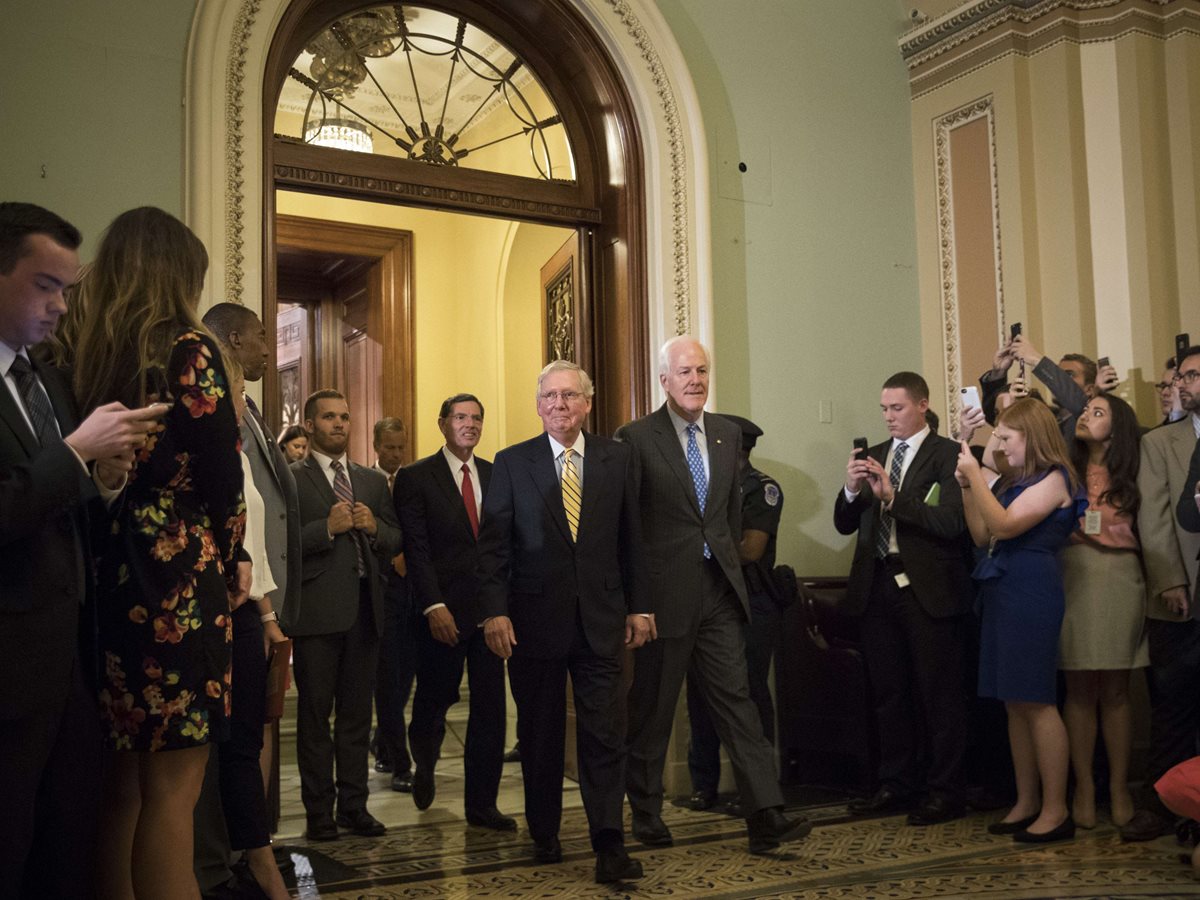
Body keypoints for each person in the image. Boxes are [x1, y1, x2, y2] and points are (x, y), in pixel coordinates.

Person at [71, 207, 246, 899]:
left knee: (124, 785)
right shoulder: (188, 349)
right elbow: (222, 475)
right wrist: (231, 558)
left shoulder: (87, 350)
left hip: (109, 568)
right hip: (174, 569)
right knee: (176, 789)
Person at [0, 203, 163, 898]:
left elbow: (59, 508)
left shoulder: (43, 381)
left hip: (67, 661)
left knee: (63, 845)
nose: (63, 306)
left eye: (67, 288)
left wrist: (102, 479)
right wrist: (74, 455)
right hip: (6, 667)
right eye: (45, 285)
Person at [622, 336, 811, 854]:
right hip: (662, 600)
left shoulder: (727, 434)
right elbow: (629, 527)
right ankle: (645, 812)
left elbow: (727, 519)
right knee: (654, 711)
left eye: (701, 370)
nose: (695, 380)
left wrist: (724, 569)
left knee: (739, 705)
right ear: (664, 380)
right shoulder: (635, 439)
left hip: (719, 595)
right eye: (684, 372)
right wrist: (636, 602)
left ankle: (765, 814)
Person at [476, 361, 647, 883]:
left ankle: (608, 842)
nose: (559, 405)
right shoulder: (511, 462)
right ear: (537, 405)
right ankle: (544, 831)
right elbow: (494, 547)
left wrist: (640, 606)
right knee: (541, 733)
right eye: (549, 397)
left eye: (569, 396)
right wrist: (495, 610)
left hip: (601, 620)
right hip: (532, 621)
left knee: (605, 733)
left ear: (587, 403)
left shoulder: (617, 458)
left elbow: (632, 540)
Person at [835, 371, 973, 826]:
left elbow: (952, 523)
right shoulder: (874, 455)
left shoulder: (947, 454)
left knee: (938, 694)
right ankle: (897, 782)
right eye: (883, 409)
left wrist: (893, 499)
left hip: (928, 587)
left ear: (922, 405)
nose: (888, 416)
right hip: (877, 586)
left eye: (896, 408)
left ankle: (944, 789)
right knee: (889, 693)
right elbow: (844, 523)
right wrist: (852, 489)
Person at [200, 303, 298, 898]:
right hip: (223, 612)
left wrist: (266, 615)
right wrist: (263, 612)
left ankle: (247, 854)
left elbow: (253, 537)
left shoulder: (239, 445)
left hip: (252, 611)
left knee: (246, 743)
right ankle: (230, 864)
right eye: (260, 337)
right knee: (230, 746)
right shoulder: (216, 452)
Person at [955, 398, 1086, 843]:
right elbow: (980, 533)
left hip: (1031, 587)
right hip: (1002, 586)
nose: (1001, 447)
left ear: (1031, 437)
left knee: (1036, 699)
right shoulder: (1014, 481)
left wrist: (976, 474)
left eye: (1007, 439)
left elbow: (1007, 526)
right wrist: (969, 487)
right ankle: (1026, 800)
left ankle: (1056, 808)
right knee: (1013, 702)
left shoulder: (1055, 479)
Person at [286, 389, 401, 841]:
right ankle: (320, 814)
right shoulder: (291, 476)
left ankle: (355, 806)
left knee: (356, 718)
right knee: (316, 718)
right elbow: (280, 543)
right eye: (329, 417)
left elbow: (396, 538)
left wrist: (376, 528)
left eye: (345, 417)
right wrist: (323, 530)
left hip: (365, 612)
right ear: (310, 425)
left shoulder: (369, 481)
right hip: (316, 615)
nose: (339, 424)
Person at [394, 395, 513, 828]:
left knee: (490, 711)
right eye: (461, 417)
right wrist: (432, 604)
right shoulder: (415, 477)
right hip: (440, 612)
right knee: (434, 701)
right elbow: (417, 550)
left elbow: (502, 545)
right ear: (443, 423)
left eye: (477, 418)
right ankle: (423, 762)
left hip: (488, 614)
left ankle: (482, 806)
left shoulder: (496, 475)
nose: (470, 425)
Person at [685, 414, 783, 811]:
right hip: (707, 599)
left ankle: (759, 791)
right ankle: (702, 784)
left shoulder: (761, 489)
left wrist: (699, 547)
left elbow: (750, 550)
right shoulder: (704, 486)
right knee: (699, 695)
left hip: (752, 602)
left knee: (750, 695)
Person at [1058, 393, 1147, 829]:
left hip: (1119, 577)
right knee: (1078, 690)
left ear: (1117, 428)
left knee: (1115, 689)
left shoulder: (1135, 469)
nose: (1086, 417)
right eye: (1085, 410)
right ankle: (1085, 787)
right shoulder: (1064, 467)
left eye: (1098, 413)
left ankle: (1117, 786)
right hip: (1072, 574)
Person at [1126, 344, 1200, 842]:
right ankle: (1158, 804)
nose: (1188, 382)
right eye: (1186, 375)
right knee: (1172, 705)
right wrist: (1170, 578)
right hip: (1181, 597)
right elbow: (1151, 518)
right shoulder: (1161, 442)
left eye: (1196, 374)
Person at [370, 416, 416, 792]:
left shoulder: (414, 480)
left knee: (404, 680)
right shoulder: (365, 483)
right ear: (376, 446)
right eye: (389, 447)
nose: (396, 454)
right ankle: (400, 762)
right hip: (380, 594)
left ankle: (383, 739)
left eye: (401, 447)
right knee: (387, 681)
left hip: (412, 597)